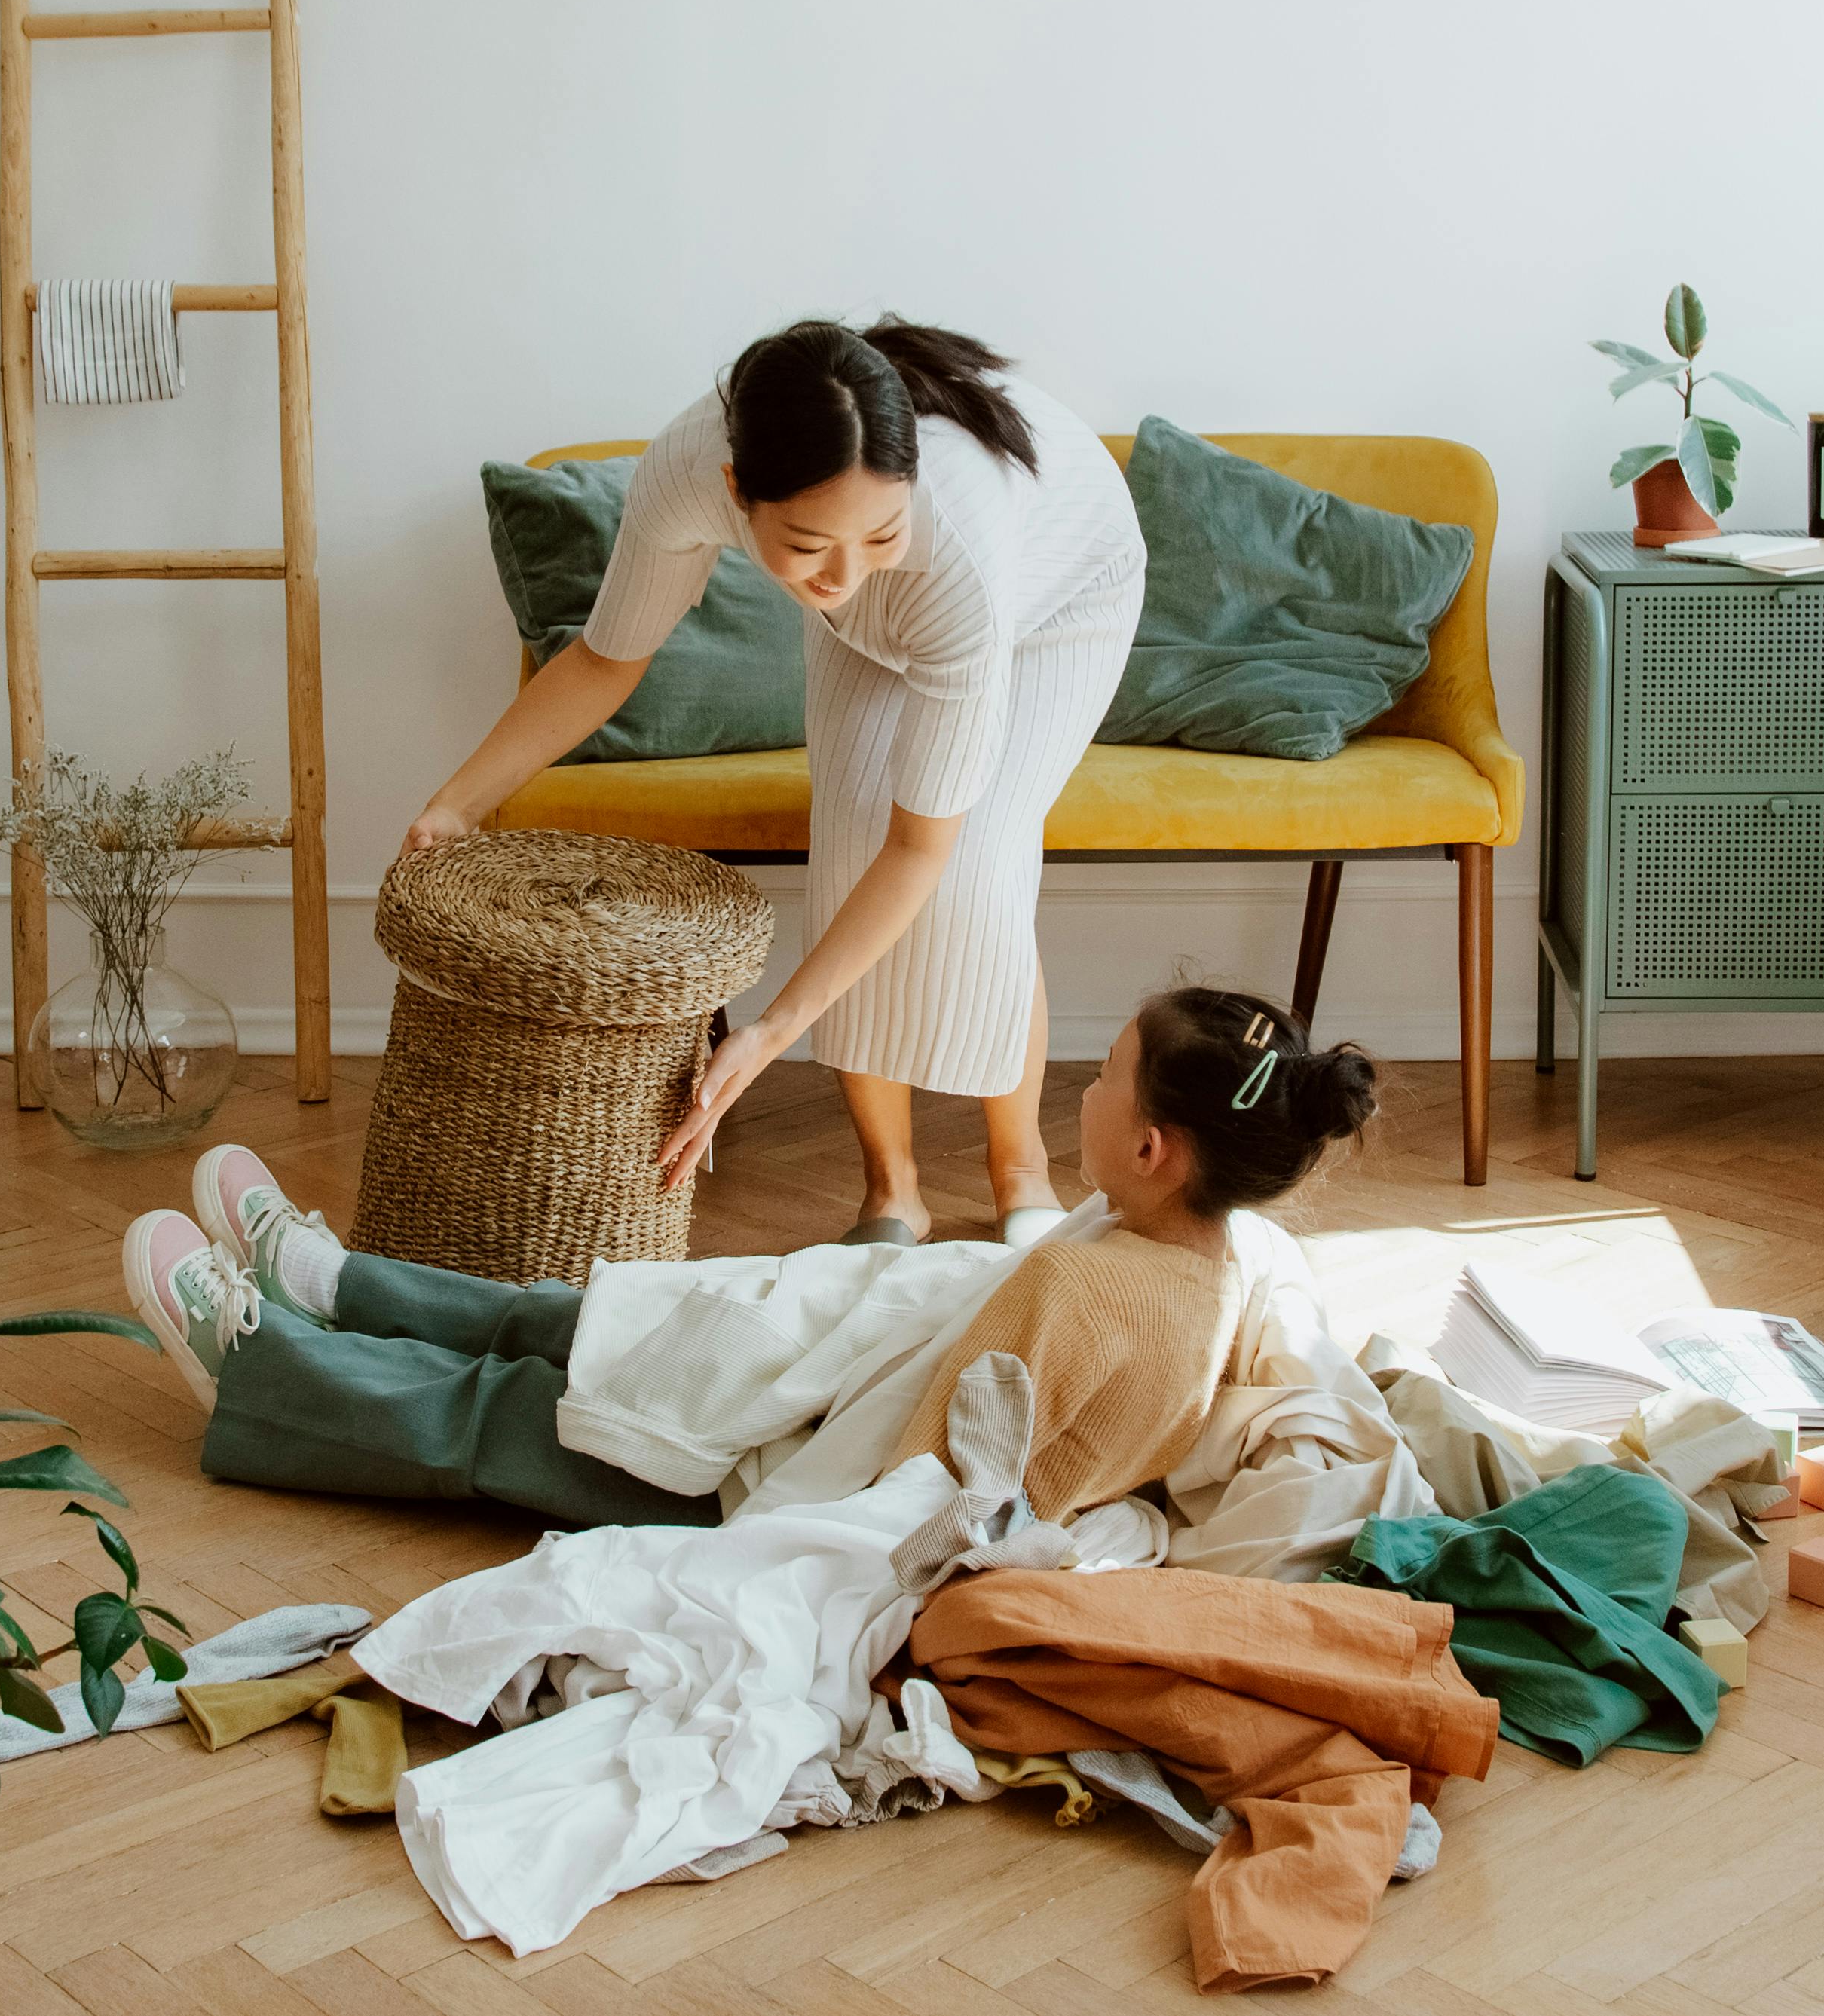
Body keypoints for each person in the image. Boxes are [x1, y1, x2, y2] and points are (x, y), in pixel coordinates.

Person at [116, 986, 1380, 1531]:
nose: (1083, 1085)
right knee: (569, 1318)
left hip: (773, 1461)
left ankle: (266, 1372)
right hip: (823, 1337)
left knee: (511, 1415)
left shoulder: (1095, 1286)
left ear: (1154, 1148)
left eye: (1103, 1074)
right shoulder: (1220, 1245)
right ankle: (332, 1284)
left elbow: (922, 1474)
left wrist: (769, 1459)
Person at [403, 317, 1143, 1245]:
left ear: (908, 489)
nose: (840, 576)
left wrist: (769, 1030)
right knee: (846, 839)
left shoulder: (954, 552)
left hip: (1055, 596)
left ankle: (1018, 1168)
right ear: (734, 493)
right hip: (906, 606)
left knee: (979, 863)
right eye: (804, 545)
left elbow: (922, 848)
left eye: (878, 531)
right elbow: (604, 659)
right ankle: (891, 1189)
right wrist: (454, 803)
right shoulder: (685, 471)